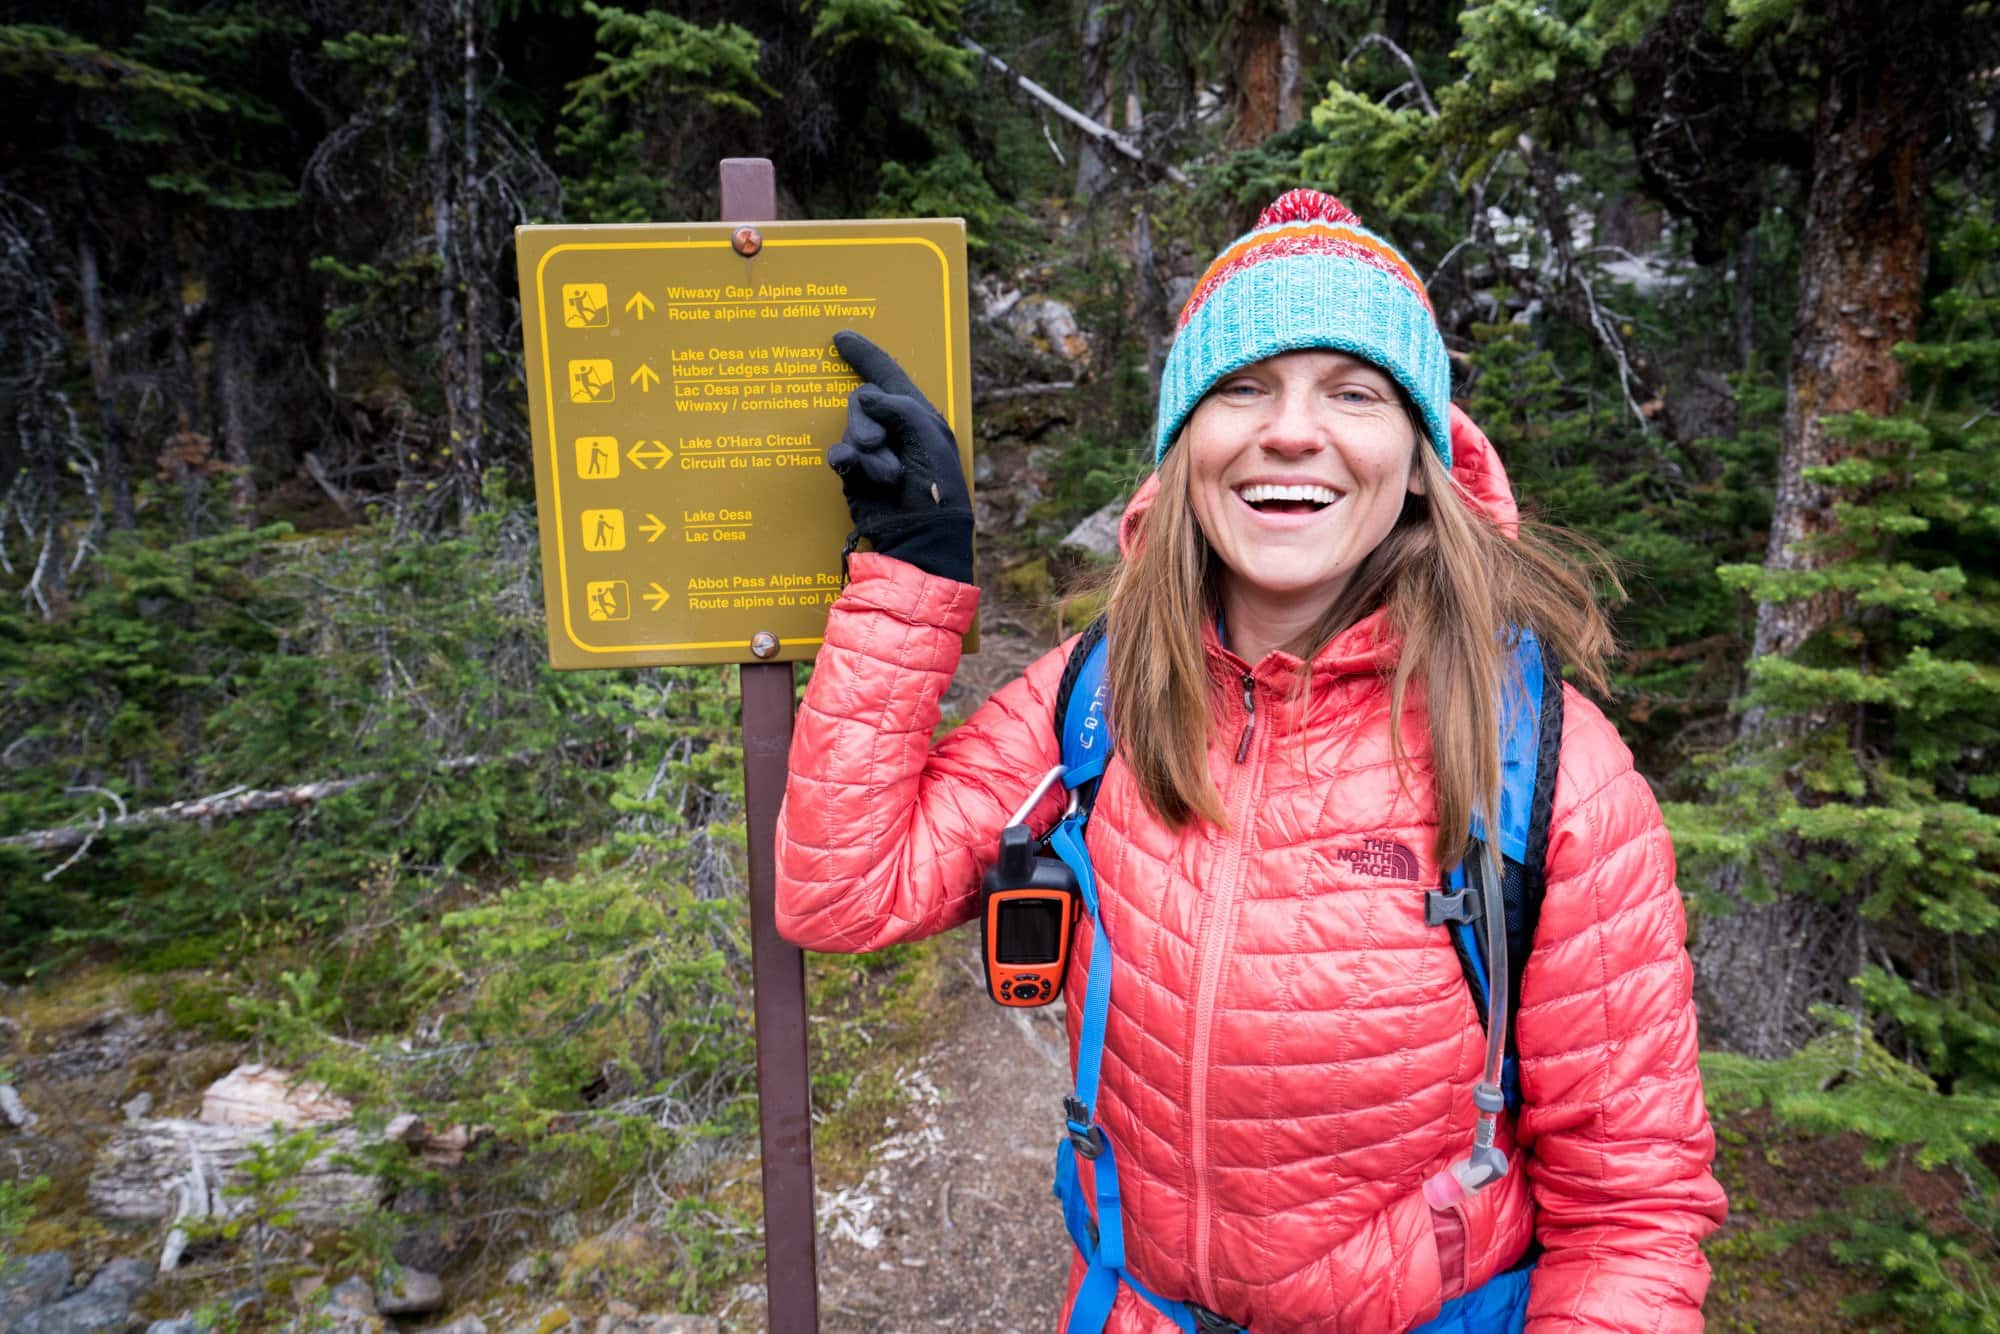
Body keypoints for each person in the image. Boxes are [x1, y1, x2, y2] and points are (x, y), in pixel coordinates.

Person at [776, 189, 1726, 1333]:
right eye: (1241, 386)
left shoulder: (1547, 768)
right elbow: (842, 889)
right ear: (1185, 449)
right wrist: (914, 570)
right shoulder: (1098, 694)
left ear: (1423, 459)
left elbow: (1628, 1217)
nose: (1288, 431)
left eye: (1352, 392)